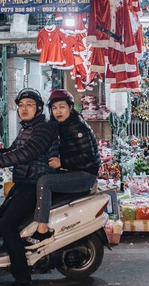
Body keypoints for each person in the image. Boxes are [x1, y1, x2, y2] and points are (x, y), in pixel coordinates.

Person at [0, 88, 58, 286]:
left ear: (39, 108)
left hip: (35, 183)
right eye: (21, 105)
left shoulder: (43, 128)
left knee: (7, 225)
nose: (24, 108)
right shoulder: (27, 127)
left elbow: (26, 153)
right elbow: (14, 150)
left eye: (29, 105)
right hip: (24, 180)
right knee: (2, 216)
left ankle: (22, 277)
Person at [23, 89, 102, 250]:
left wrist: (62, 162)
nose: (58, 111)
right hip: (75, 171)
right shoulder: (63, 125)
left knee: (45, 182)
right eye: (54, 108)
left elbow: (89, 156)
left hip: (85, 176)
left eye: (62, 107)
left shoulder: (76, 127)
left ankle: (43, 230)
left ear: (70, 108)